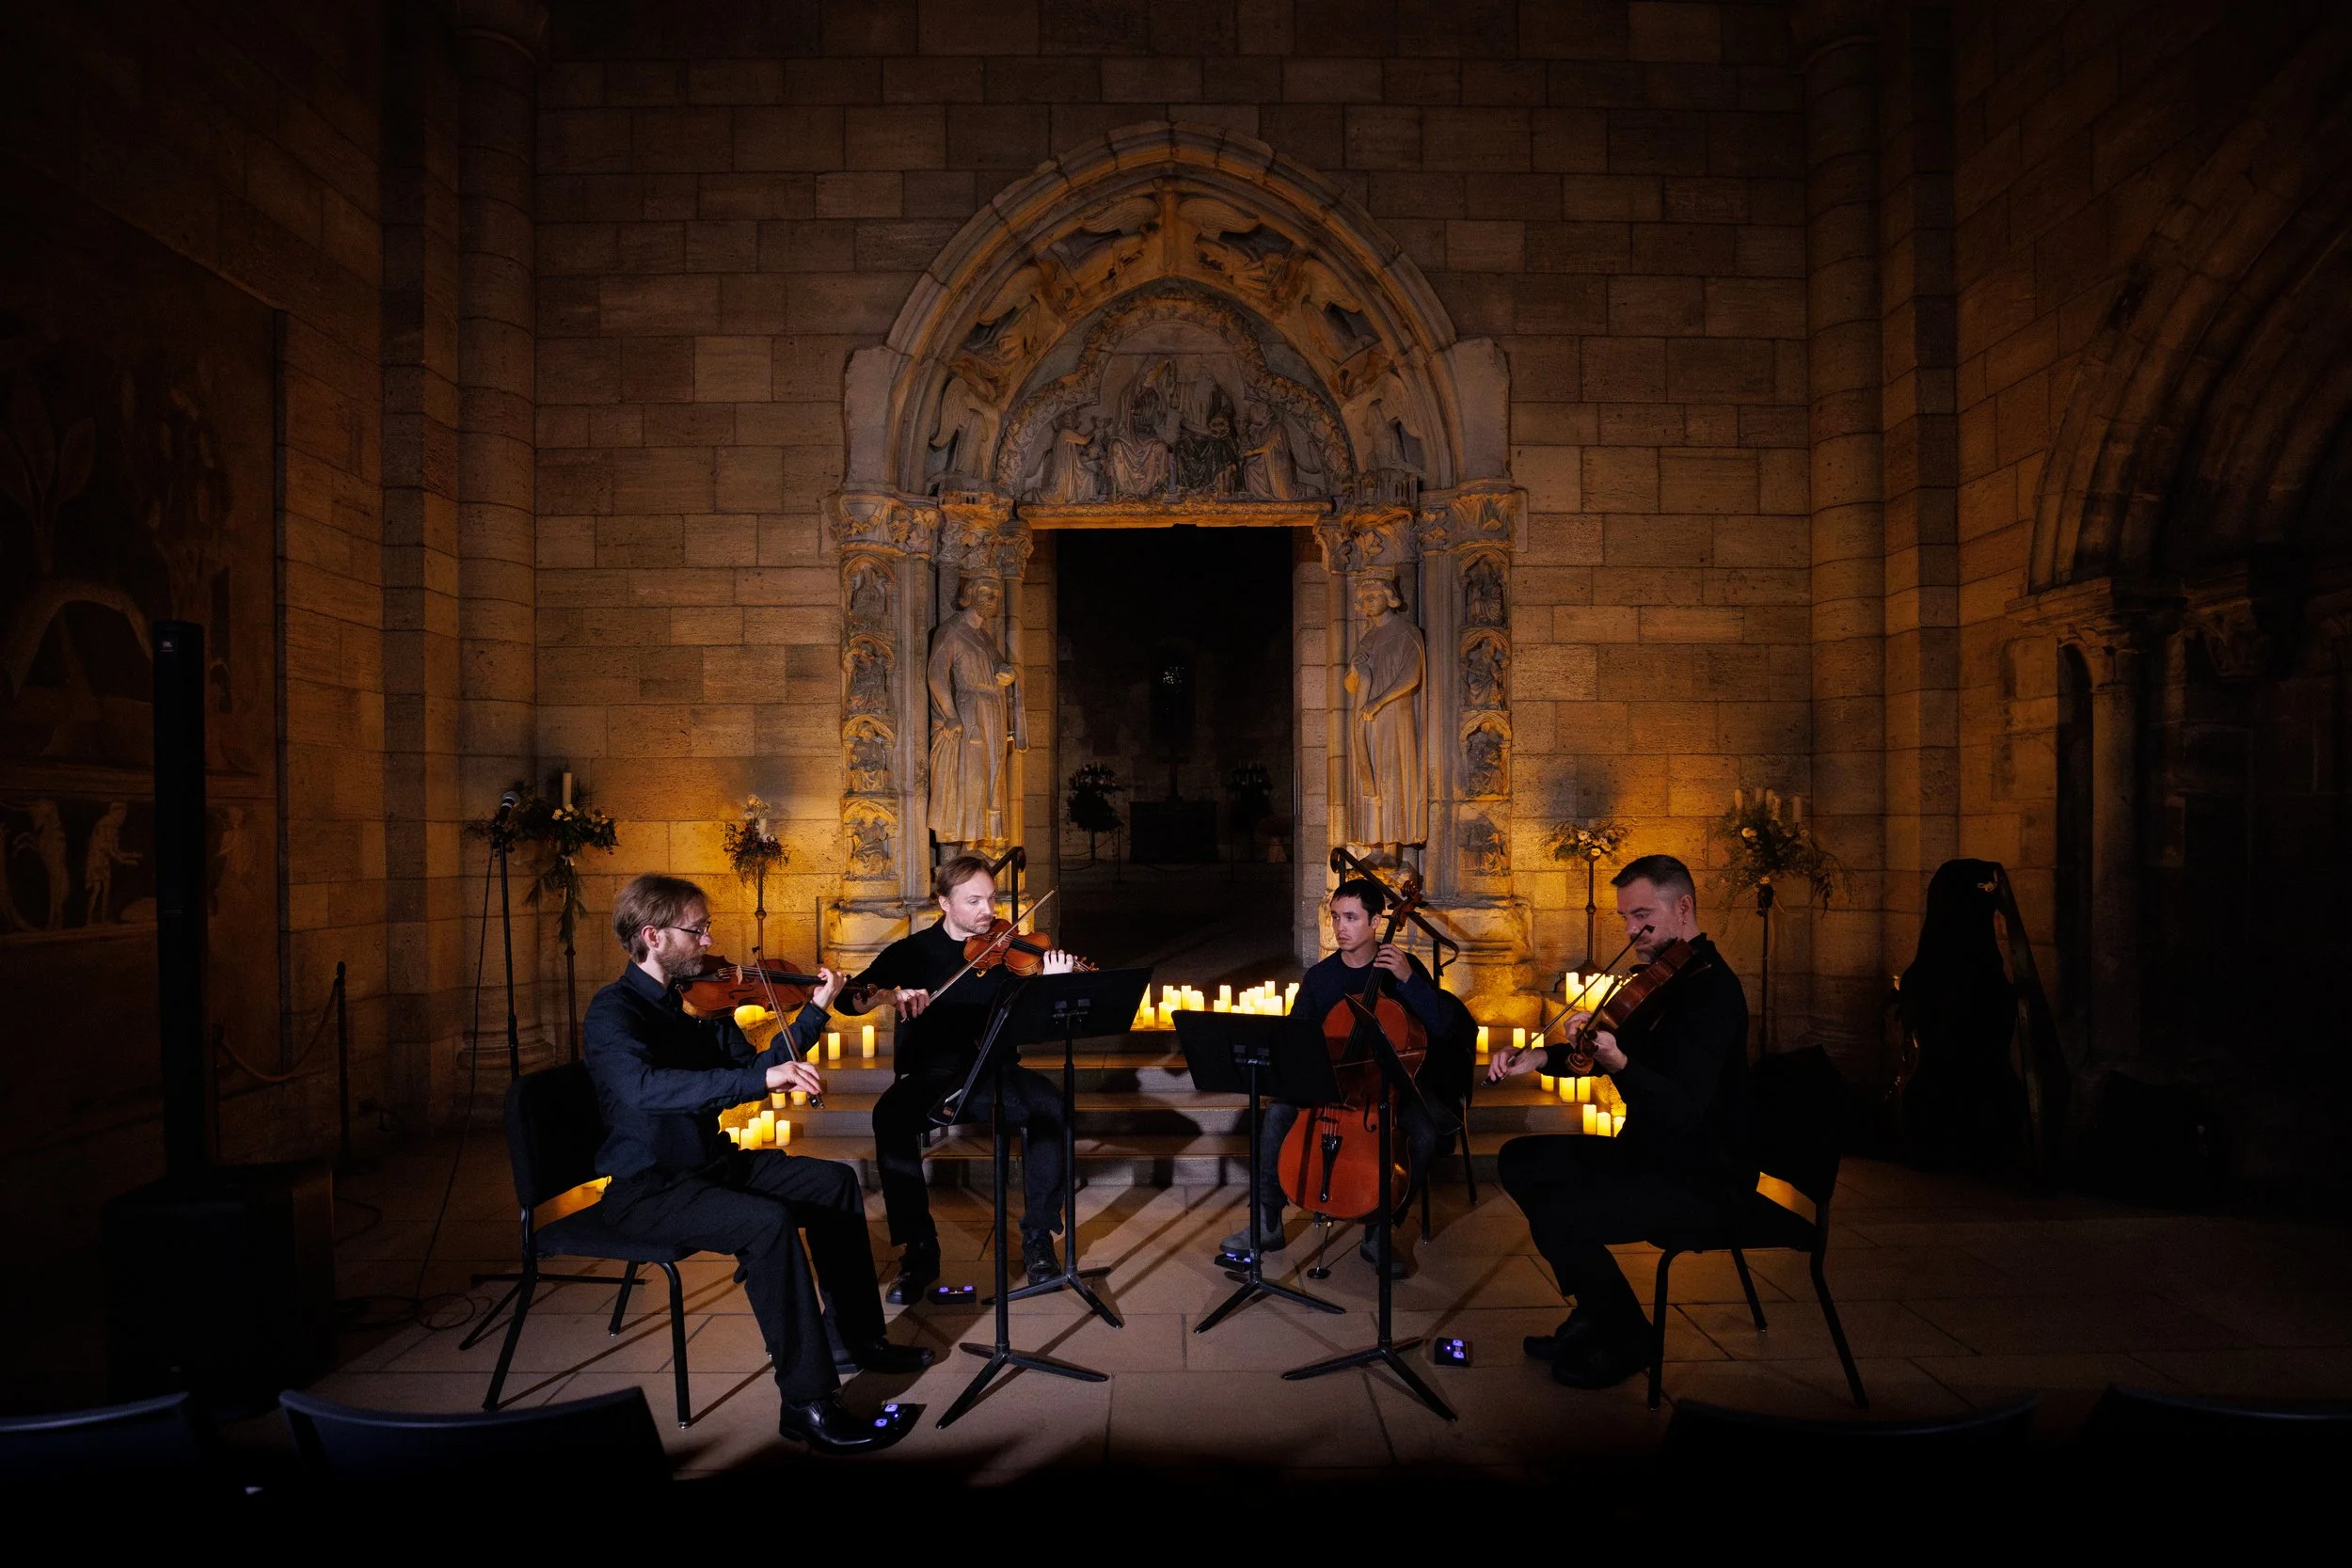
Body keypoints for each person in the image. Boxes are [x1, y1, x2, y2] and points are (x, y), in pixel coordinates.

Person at [582, 873, 933, 1456]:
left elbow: (758, 1067)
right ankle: (807, 1404)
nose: (708, 941)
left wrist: (816, 1011)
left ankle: (855, 1342)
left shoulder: (695, 1007)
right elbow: (645, 1089)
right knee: (766, 1225)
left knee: (832, 1183)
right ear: (652, 936)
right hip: (650, 1187)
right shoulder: (613, 1013)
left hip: (711, 1166)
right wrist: (762, 1077)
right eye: (696, 930)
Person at [1486, 854, 1752, 1389]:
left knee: (1560, 1212)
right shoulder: (1661, 980)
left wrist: (1621, 1063)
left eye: (1642, 916)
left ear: (1683, 907)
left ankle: (1629, 1336)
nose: (1630, 930)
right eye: (1625, 918)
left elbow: (1683, 1109)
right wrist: (1540, 1057)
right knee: (1520, 1159)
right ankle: (1597, 1310)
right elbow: (1602, 1050)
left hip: (1699, 1174)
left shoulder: (1712, 992)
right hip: (1647, 1152)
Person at [849, 854, 1078, 1303]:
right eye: (974, 901)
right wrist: (887, 996)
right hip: (931, 1074)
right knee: (890, 1116)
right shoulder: (911, 952)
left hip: (993, 1071)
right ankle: (919, 1249)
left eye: (991, 899)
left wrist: (1054, 985)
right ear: (944, 903)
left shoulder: (1010, 951)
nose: (988, 912)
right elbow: (851, 998)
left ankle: (1038, 1238)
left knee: (1050, 1105)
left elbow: (1037, 1023)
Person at [1221, 876, 1470, 1278]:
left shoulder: (1402, 969)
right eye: (1336, 917)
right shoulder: (1321, 978)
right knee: (1279, 1112)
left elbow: (1443, 1026)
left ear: (1375, 922)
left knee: (1424, 1133)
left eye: (1351, 918)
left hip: (1392, 1088)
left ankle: (1380, 1229)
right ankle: (1266, 1222)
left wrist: (1408, 980)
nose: (1340, 927)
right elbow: (1296, 1035)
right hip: (1331, 1084)